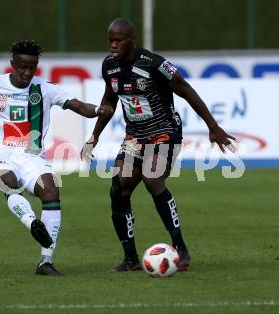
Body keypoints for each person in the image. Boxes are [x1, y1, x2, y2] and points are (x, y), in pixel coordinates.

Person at [81, 18, 236, 272]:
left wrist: (213, 126)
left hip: (165, 132)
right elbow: (110, 99)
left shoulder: (155, 64)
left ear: (132, 39)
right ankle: (130, 259)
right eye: (110, 40)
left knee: (153, 178)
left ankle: (180, 248)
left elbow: (186, 90)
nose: (113, 45)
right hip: (134, 136)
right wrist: (95, 136)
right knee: (118, 187)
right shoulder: (109, 66)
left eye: (118, 40)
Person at [0, 40, 110, 276]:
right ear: (12, 64)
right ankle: (32, 223)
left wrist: (97, 110)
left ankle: (45, 261)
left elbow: (77, 105)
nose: (27, 73)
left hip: (30, 154)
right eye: (23, 67)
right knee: (9, 183)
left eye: (32, 68)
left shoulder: (45, 88)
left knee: (51, 191)